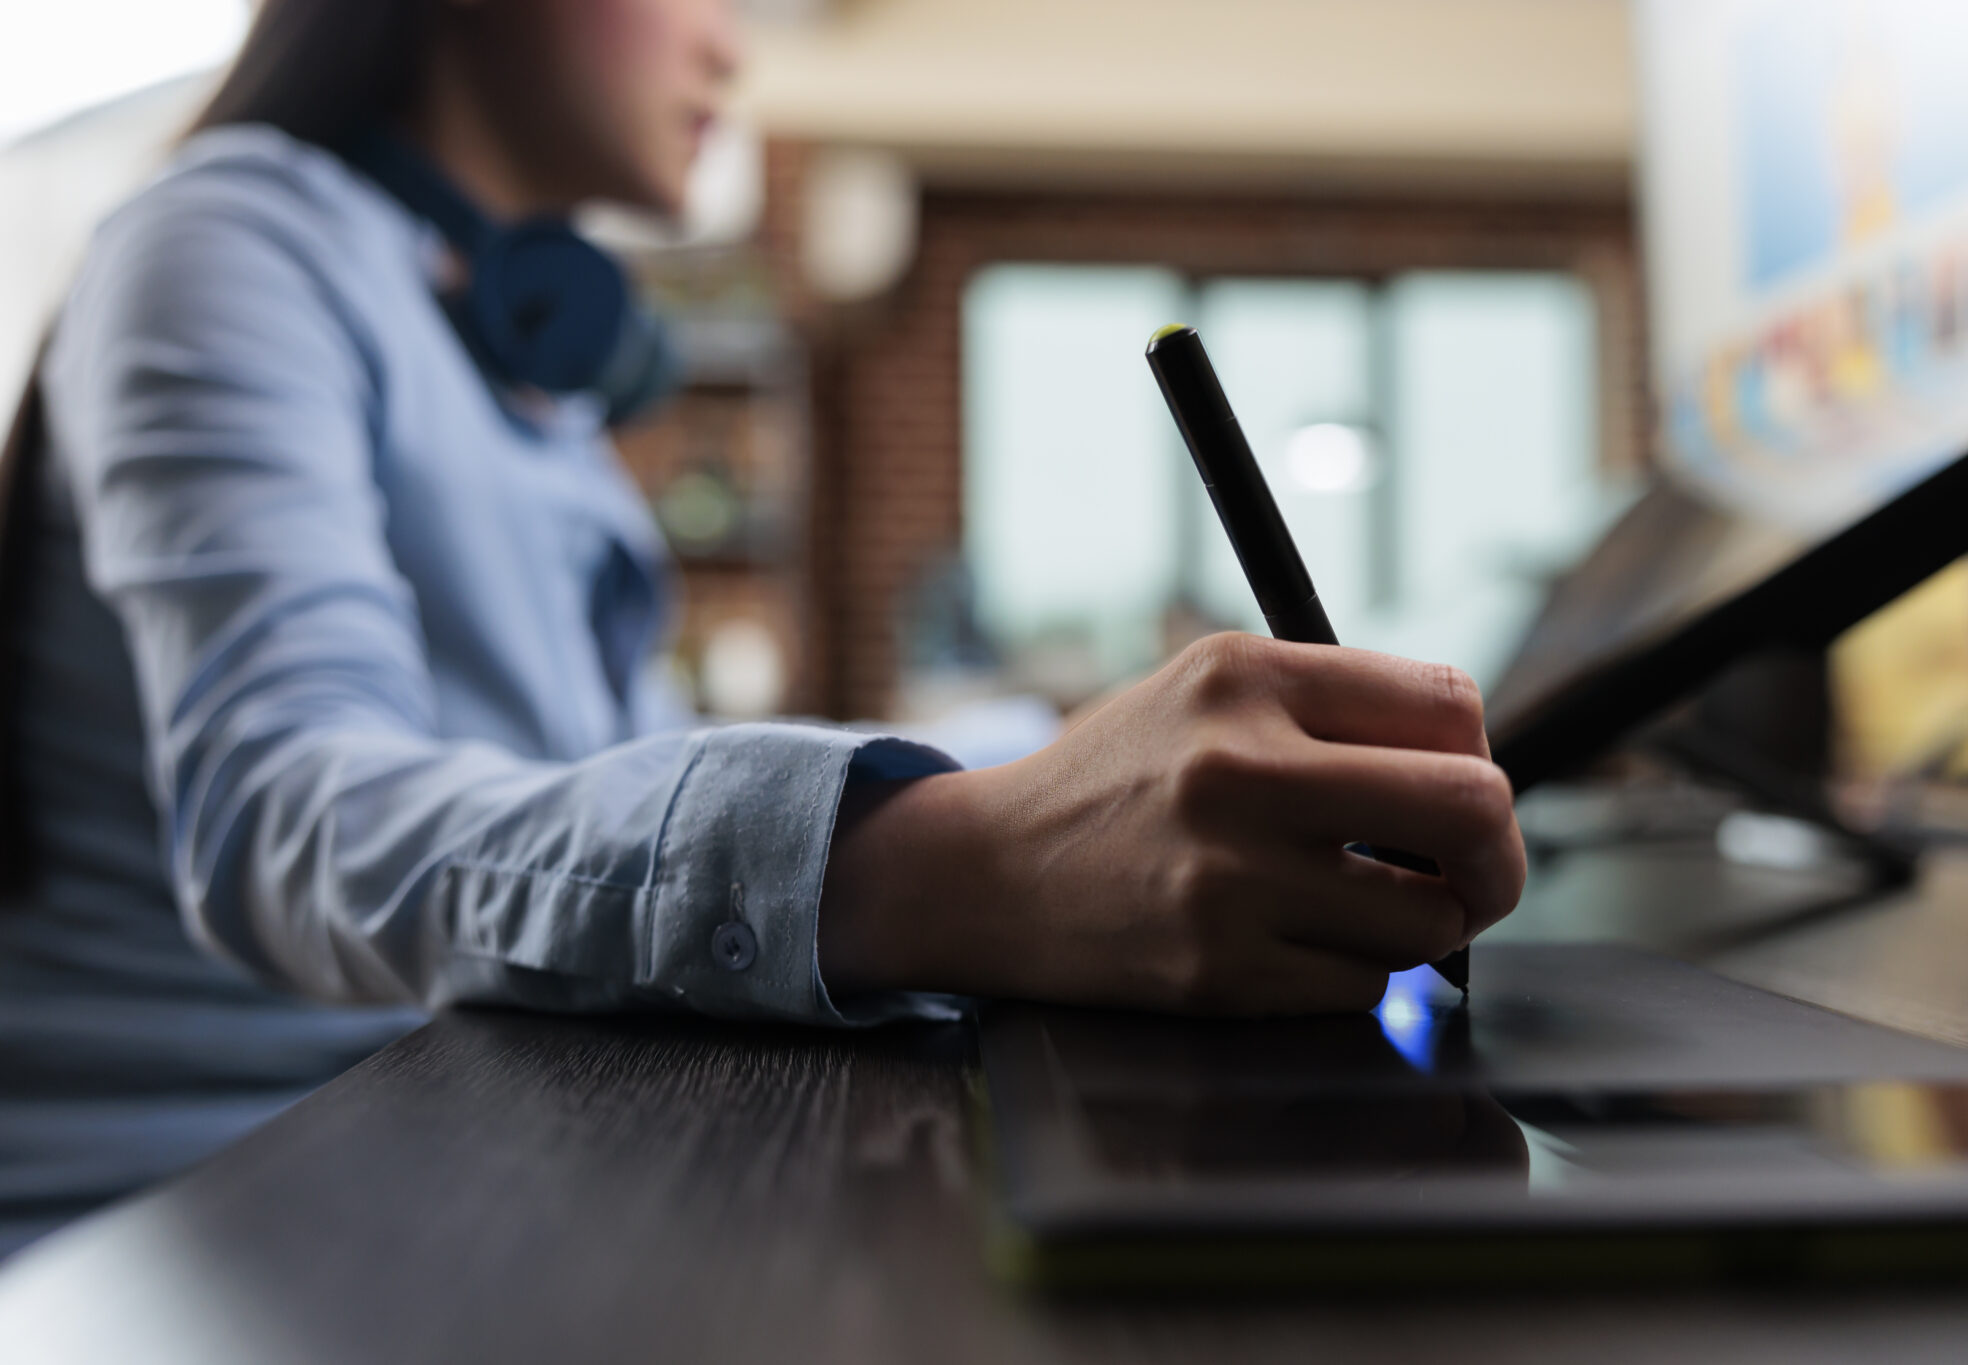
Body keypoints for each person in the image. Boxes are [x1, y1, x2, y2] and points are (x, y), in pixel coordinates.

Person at [0, 0, 1524, 1255]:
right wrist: (963, 857)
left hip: (440, 1138)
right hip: (181, 1226)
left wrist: (1064, 764)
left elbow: (579, 786)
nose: (736, 47)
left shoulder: (505, 355)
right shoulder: (218, 246)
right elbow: (290, 818)